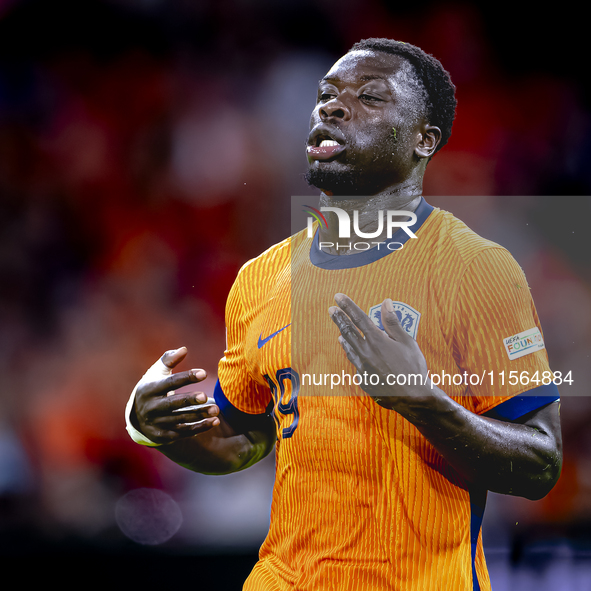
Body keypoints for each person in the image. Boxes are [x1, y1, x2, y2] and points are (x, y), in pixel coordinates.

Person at [125, 38, 562, 591]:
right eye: (326, 95)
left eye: (370, 98)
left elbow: (541, 463)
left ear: (424, 141)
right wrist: (151, 429)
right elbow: (245, 439)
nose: (332, 107)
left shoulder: (476, 269)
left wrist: (423, 403)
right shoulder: (261, 278)